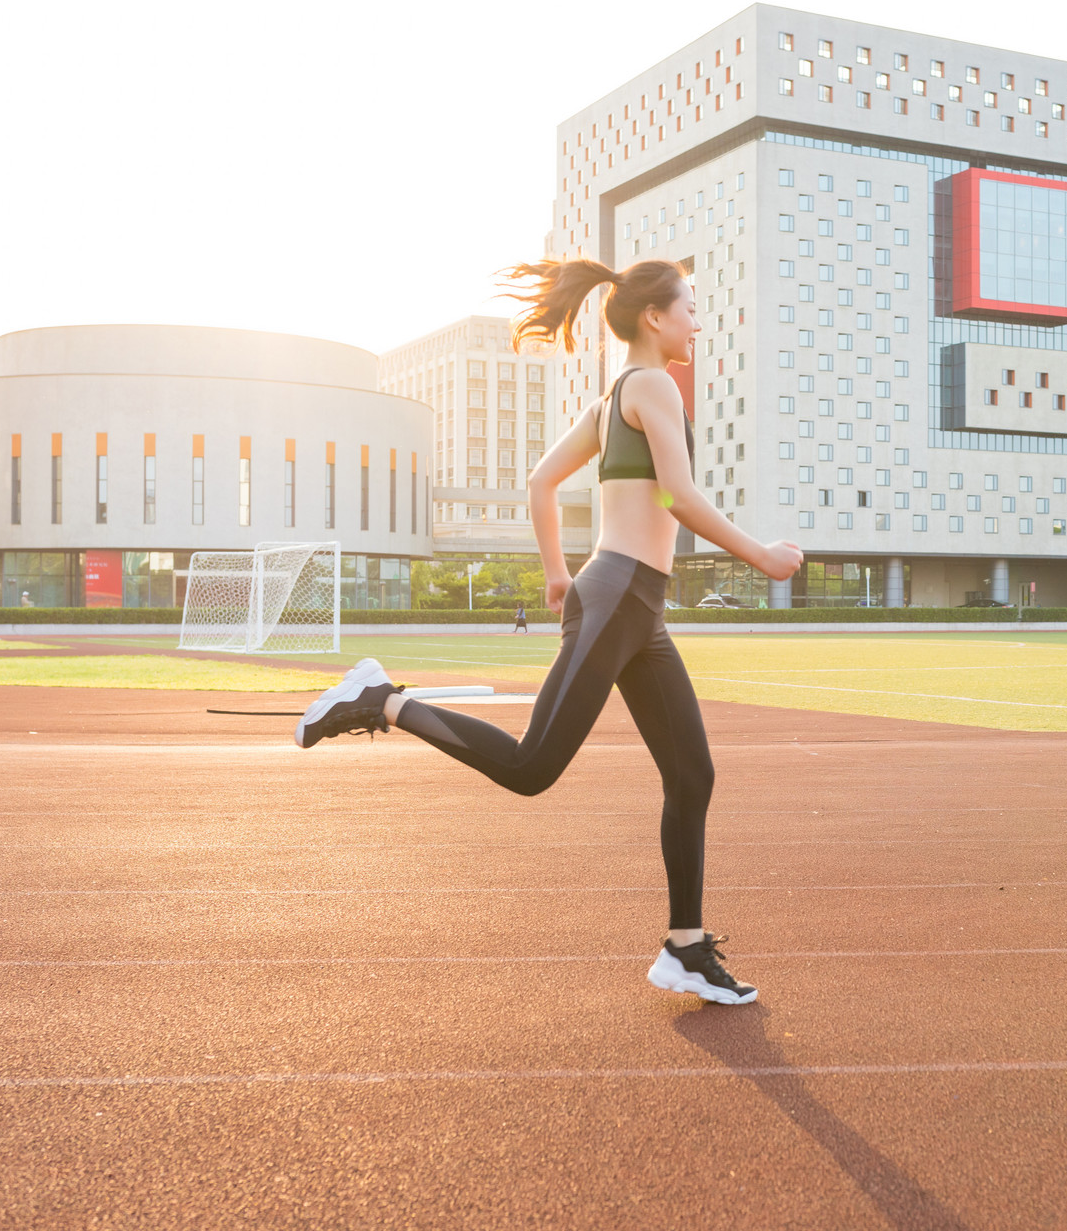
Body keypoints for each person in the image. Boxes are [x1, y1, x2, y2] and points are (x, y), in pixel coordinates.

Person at [292, 256, 803, 1005]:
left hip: (633, 606)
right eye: (690, 306)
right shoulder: (653, 384)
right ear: (655, 317)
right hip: (622, 595)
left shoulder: (608, 402)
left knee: (692, 774)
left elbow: (540, 481)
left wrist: (559, 576)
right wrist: (761, 554)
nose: (698, 319)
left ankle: (686, 948)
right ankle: (382, 700)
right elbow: (680, 495)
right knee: (532, 767)